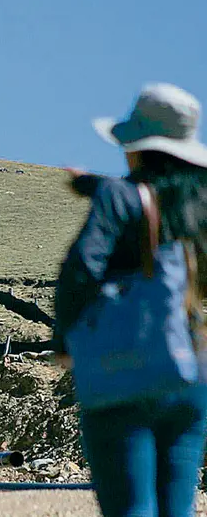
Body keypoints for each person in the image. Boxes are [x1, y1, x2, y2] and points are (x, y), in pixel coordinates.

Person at [54, 82, 207, 516]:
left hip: (129, 369)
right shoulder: (201, 203)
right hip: (192, 371)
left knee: (131, 507)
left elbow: (81, 269)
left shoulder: (119, 197)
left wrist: (66, 343)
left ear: (135, 148)